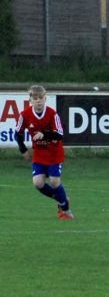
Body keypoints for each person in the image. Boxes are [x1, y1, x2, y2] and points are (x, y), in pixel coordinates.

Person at [15, 85, 74, 220]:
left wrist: (44, 134)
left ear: (45, 98)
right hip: (39, 154)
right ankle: (62, 198)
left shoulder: (52, 114)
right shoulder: (25, 115)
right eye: (35, 98)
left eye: (41, 98)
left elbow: (59, 134)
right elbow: (17, 134)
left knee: (54, 181)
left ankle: (65, 210)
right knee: (38, 183)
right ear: (30, 100)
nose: (38, 101)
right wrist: (23, 149)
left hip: (54, 153)